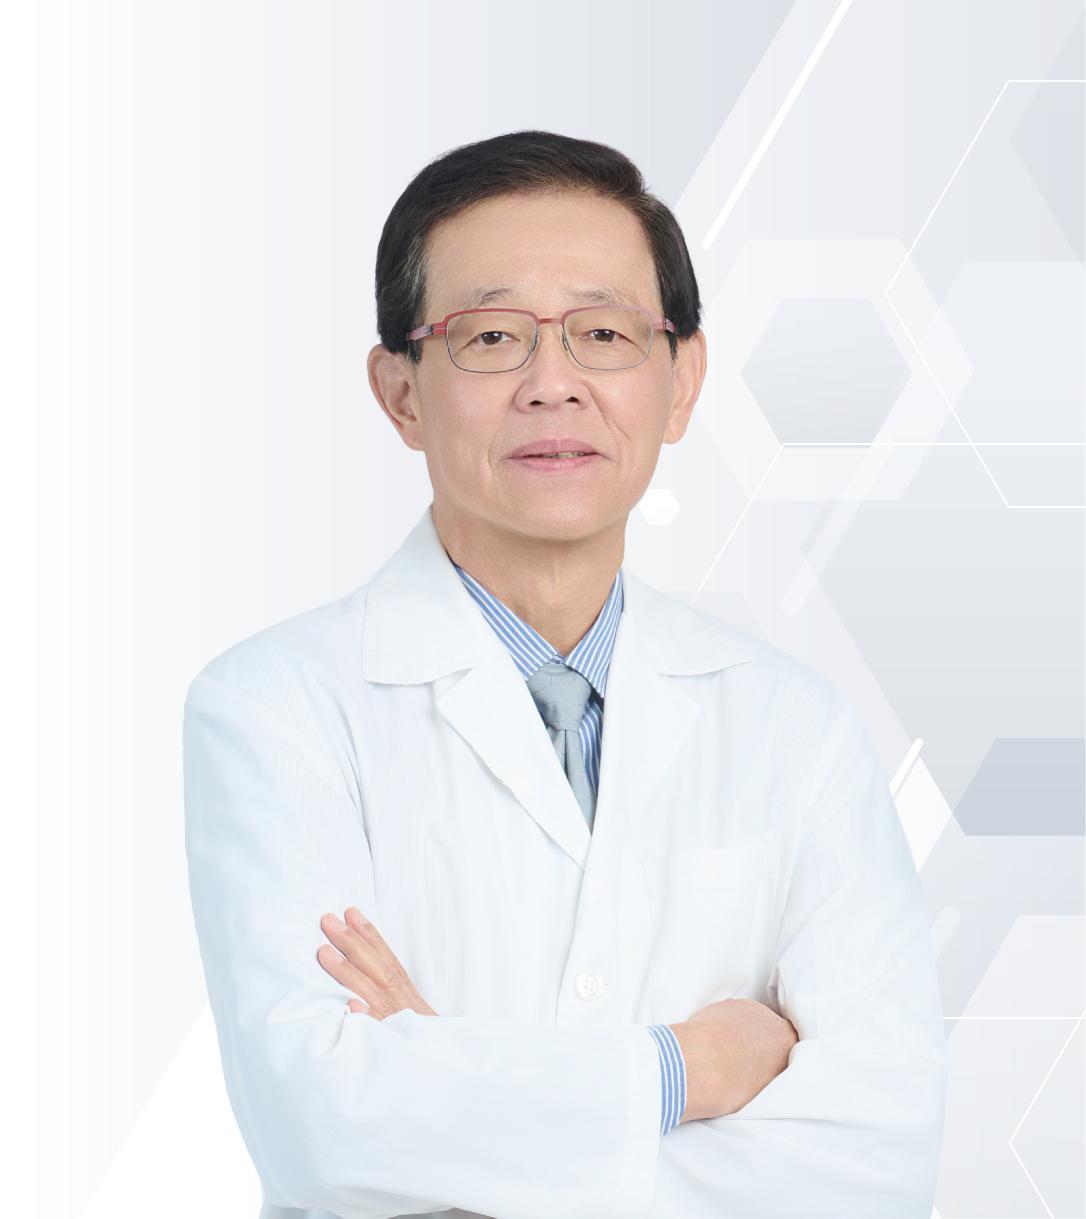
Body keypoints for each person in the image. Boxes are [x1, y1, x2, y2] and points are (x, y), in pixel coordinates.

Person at [183, 130, 949, 1219]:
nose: (554, 385)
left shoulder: (797, 727)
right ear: (400, 393)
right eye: (492, 336)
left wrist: (449, 1106)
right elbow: (321, 1126)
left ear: (681, 382)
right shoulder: (274, 708)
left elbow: (876, 1163)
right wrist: (683, 1067)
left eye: (603, 334)